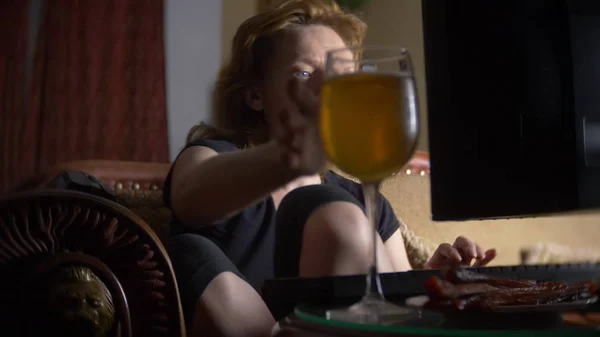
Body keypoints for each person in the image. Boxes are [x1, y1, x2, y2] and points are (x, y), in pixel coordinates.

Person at [164, 1, 497, 336]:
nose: (328, 89)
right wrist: (286, 157)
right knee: (190, 250)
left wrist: (430, 282)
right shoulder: (215, 158)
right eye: (304, 73)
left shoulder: (361, 198)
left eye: (341, 74)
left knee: (336, 209)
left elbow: (393, 302)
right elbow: (191, 196)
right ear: (255, 95)